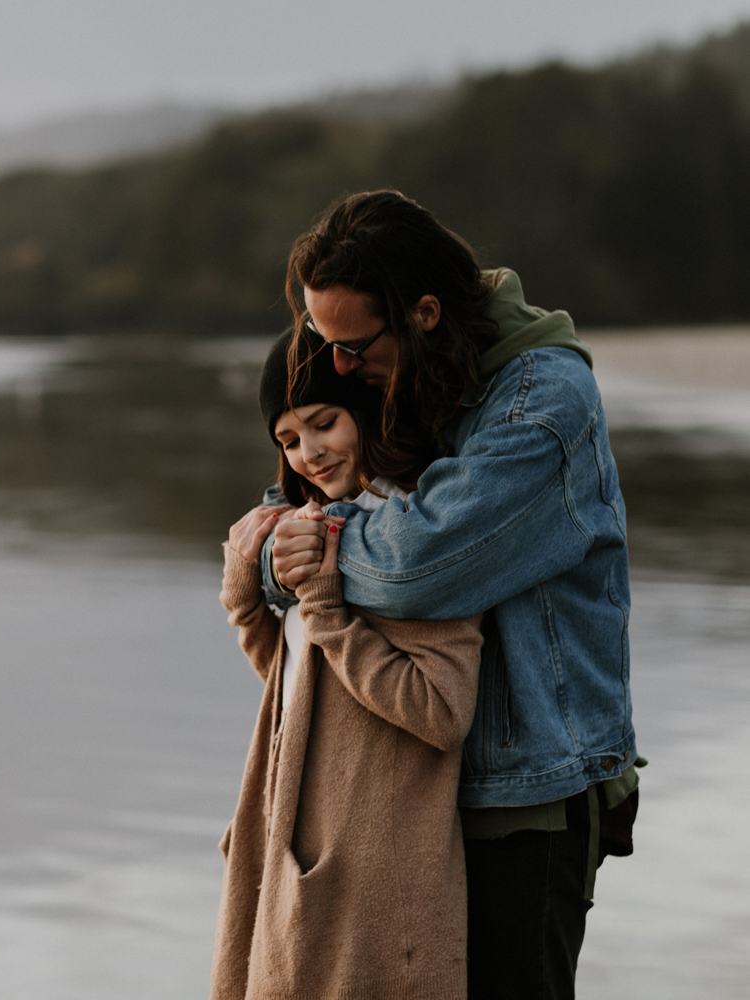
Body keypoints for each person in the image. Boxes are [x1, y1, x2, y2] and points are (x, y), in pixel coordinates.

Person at [263, 190, 638, 999]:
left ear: (424, 311)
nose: (337, 367)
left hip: (525, 794)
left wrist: (308, 556)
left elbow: (420, 567)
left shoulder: (542, 407)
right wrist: (272, 558)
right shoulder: (407, 365)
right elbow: (293, 504)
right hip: (412, 787)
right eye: (323, 344)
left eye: (350, 346)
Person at [211, 328, 482, 1000]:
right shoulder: (317, 521)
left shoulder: (414, 535)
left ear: (367, 409)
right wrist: (245, 598)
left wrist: (328, 610)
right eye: (288, 439)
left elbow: (440, 710)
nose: (308, 452)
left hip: (377, 880)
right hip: (292, 855)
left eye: (323, 423)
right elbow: (299, 689)